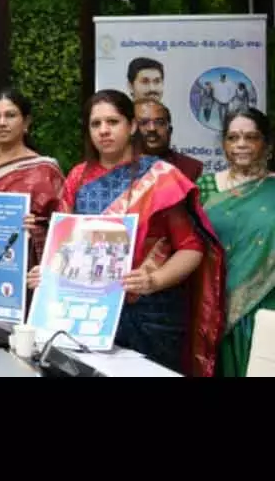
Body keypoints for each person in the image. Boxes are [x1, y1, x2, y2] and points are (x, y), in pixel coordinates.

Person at [27, 89, 225, 377]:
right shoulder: (77, 177)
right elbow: (66, 245)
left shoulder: (161, 177)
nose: (104, 131)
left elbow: (191, 247)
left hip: (152, 313)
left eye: (113, 122)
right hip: (89, 314)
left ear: (132, 126)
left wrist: (154, 280)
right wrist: (46, 273)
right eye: (96, 124)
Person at [196, 108, 275, 377]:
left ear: (266, 144)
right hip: (213, 305)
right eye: (233, 137)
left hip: (266, 303)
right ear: (223, 144)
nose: (241, 144)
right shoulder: (204, 187)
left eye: (251, 137)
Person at [0, 88, 65, 271]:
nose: (2, 123)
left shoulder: (45, 169)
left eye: (10, 115)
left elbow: (63, 226)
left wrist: (38, 226)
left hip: (30, 267)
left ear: (26, 122)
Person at [133, 97, 203, 182]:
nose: (152, 128)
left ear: (170, 130)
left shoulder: (191, 168)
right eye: (143, 123)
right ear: (130, 129)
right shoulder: (117, 165)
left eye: (159, 122)